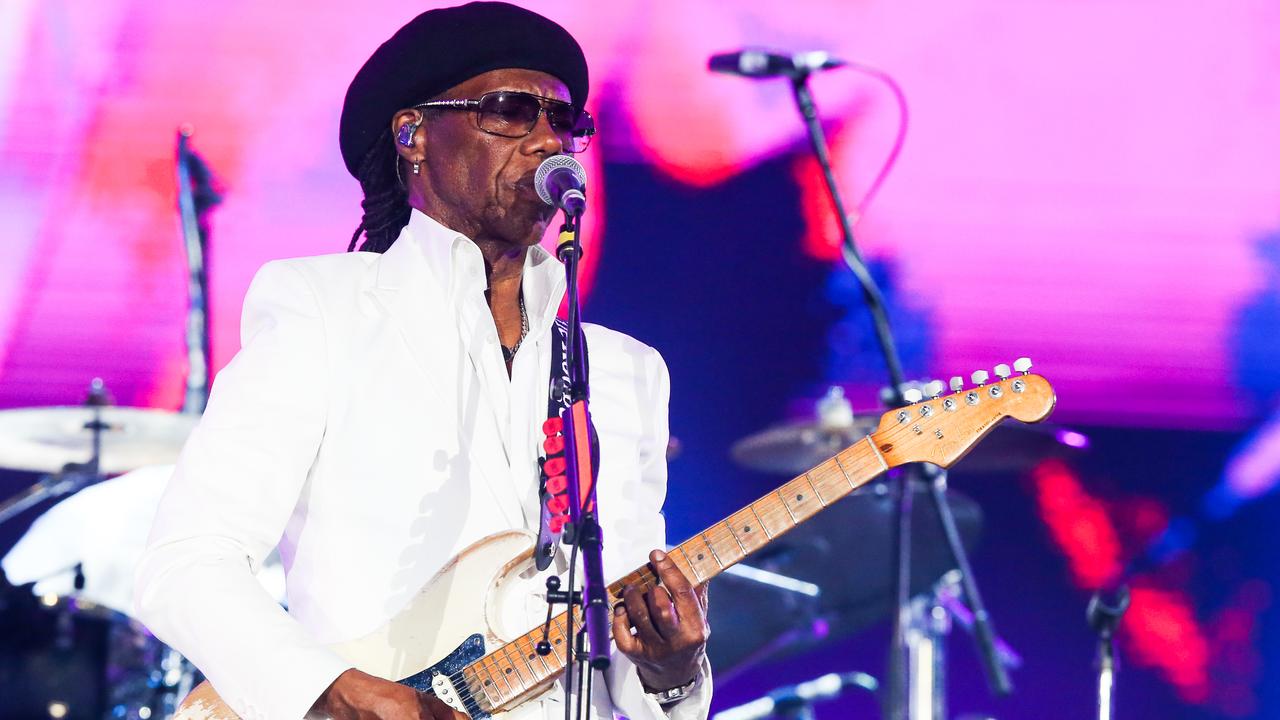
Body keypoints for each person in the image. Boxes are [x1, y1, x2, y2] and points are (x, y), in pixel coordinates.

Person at [133, 4, 711, 719]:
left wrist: (671, 667)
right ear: (413, 135)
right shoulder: (325, 310)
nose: (545, 142)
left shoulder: (625, 372)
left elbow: (622, 664)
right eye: (510, 112)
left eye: (564, 123)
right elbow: (185, 560)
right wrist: (329, 693)